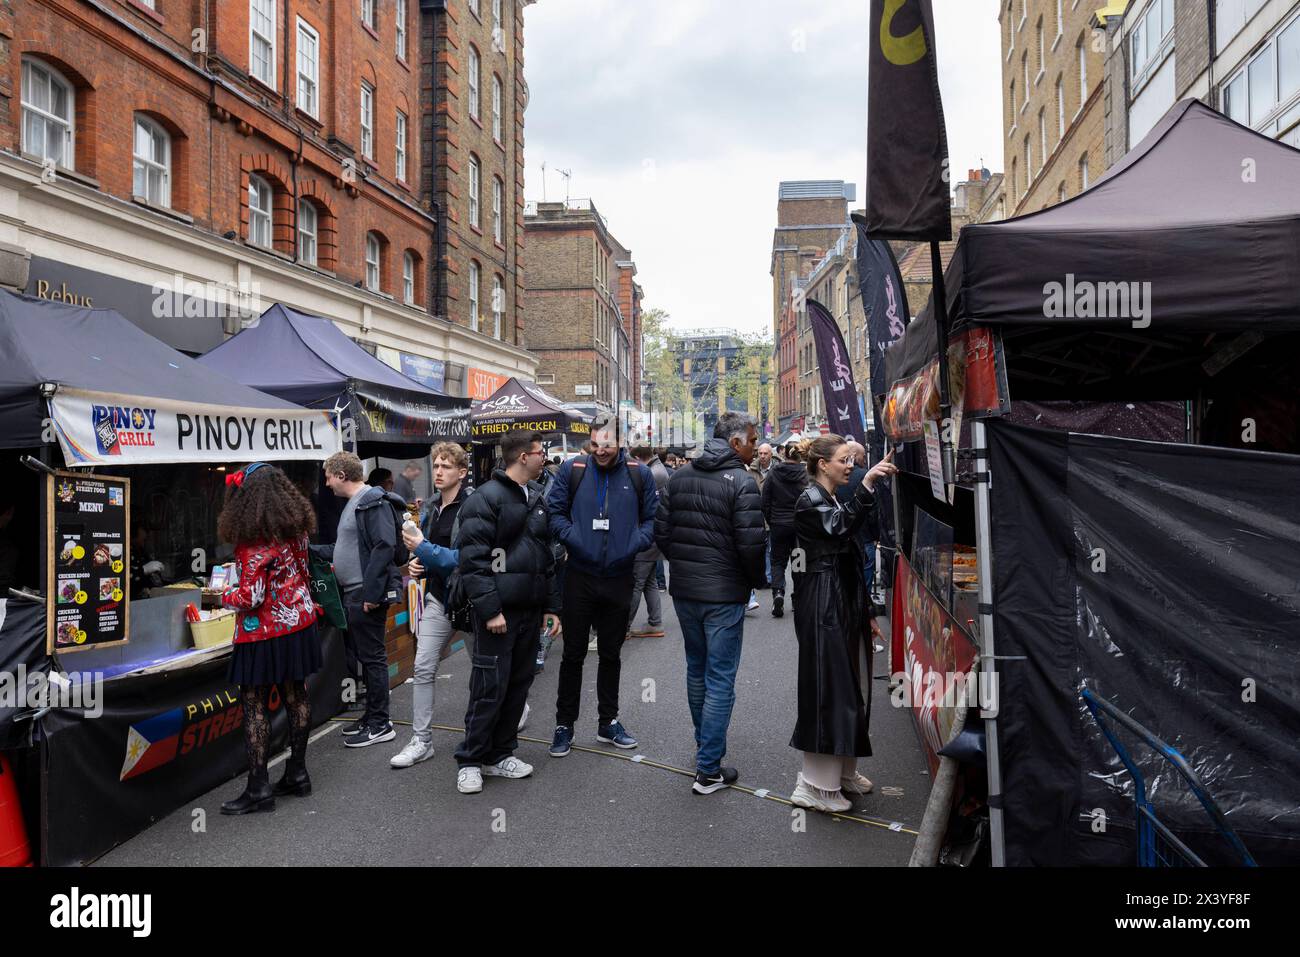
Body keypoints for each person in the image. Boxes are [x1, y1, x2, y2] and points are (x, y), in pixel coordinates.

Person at [655, 412, 766, 795]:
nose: (755, 446)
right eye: (752, 440)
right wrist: (752, 583)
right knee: (719, 677)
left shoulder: (679, 477)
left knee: (697, 669)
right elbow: (752, 546)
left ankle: (705, 748)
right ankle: (708, 769)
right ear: (734, 443)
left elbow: (662, 534)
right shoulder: (743, 482)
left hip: (686, 591)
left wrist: (685, 567)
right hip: (722, 594)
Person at [788, 437, 896, 813]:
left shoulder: (828, 497)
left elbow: (845, 538)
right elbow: (839, 528)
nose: (850, 465)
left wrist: (864, 611)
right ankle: (815, 785)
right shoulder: (810, 501)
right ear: (821, 464)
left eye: (852, 460)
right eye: (843, 460)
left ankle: (842, 769)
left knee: (850, 685)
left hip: (839, 599)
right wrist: (867, 486)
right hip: (823, 601)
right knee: (829, 688)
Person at [454, 430, 562, 794]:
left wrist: (550, 607)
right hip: (500, 615)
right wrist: (490, 610)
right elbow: (473, 562)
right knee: (489, 687)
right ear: (522, 457)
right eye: (539, 452)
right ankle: (470, 759)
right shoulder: (485, 499)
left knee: (518, 686)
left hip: (530, 612)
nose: (543, 457)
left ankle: (500, 754)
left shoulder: (536, 496)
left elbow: (545, 557)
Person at [545, 414, 658, 757]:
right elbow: (554, 511)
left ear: (620, 442)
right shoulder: (573, 469)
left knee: (611, 655)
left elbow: (654, 519)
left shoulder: (640, 474)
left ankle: (608, 722)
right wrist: (574, 538)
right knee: (573, 655)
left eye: (606, 445)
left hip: (619, 577)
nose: (600, 451)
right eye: (594, 444)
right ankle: (564, 725)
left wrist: (633, 543)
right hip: (579, 576)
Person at [217, 463, 322, 815]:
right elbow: (305, 573)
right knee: (297, 694)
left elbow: (251, 597)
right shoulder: (297, 529)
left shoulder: (253, 542)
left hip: (263, 633)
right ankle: (298, 772)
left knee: (254, 704)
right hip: (300, 624)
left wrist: (219, 595)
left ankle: (259, 787)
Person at [311, 451, 404, 748]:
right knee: (368, 658)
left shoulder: (370, 501)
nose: (326, 484)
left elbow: (384, 545)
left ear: (341, 475)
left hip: (364, 593)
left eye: (328, 477)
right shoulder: (356, 503)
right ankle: (373, 716)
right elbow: (345, 548)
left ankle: (380, 724)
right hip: (357, 591)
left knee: (373, 659)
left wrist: (372, 593)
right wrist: (309, 549)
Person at [390, 443, 471, 769]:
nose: (438, 471)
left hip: (469, 599)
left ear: (462, 473)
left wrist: (423, 549)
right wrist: (417, 563)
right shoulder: (433, 506)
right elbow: (430, 552)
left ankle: (512, 712)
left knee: (488, 669)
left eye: (446, 466)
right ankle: (421, 740)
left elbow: (463, 559)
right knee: (423, 667)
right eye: (436, 465)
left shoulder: (472, 506)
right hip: (438, 598)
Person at [626, 444, 671, 638]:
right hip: (654, 535)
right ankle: (655, 622)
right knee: (649, 582)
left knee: (636, 583)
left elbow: (638, 505)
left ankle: (622, 626)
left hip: (648, 536)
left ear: (637, 457)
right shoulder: (656, 470)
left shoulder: (652, 473)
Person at [762, 441, 810, 618]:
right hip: (799, 527)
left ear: (784, 454)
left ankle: (778, 593)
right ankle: (798, 599)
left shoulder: (774, 472)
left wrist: (771, 519)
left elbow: (765, 500)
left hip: (779, 525)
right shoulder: (805, 473)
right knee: (799, 563)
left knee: (777, 562)